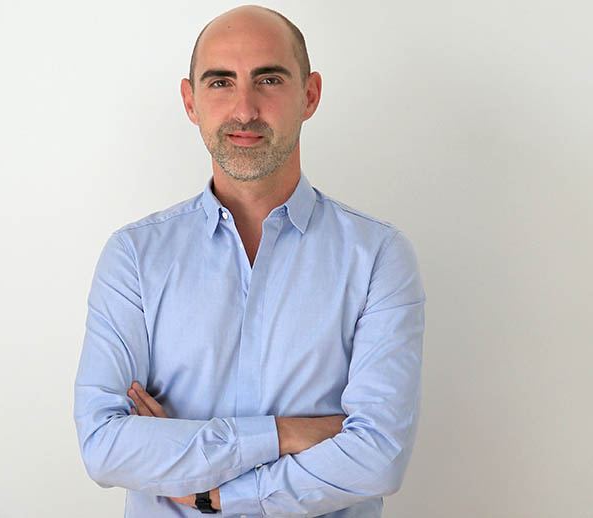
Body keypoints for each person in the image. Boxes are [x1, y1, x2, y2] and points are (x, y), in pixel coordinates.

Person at [73, 5, 426, 517]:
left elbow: (378, 459)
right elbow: (104, 447)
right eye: (220, 82)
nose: (244, 109)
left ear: (310, 95)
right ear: (190, 102)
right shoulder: (133, 257)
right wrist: (286, 434)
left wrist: (211, 490)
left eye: (269, 79)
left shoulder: (378, 257)